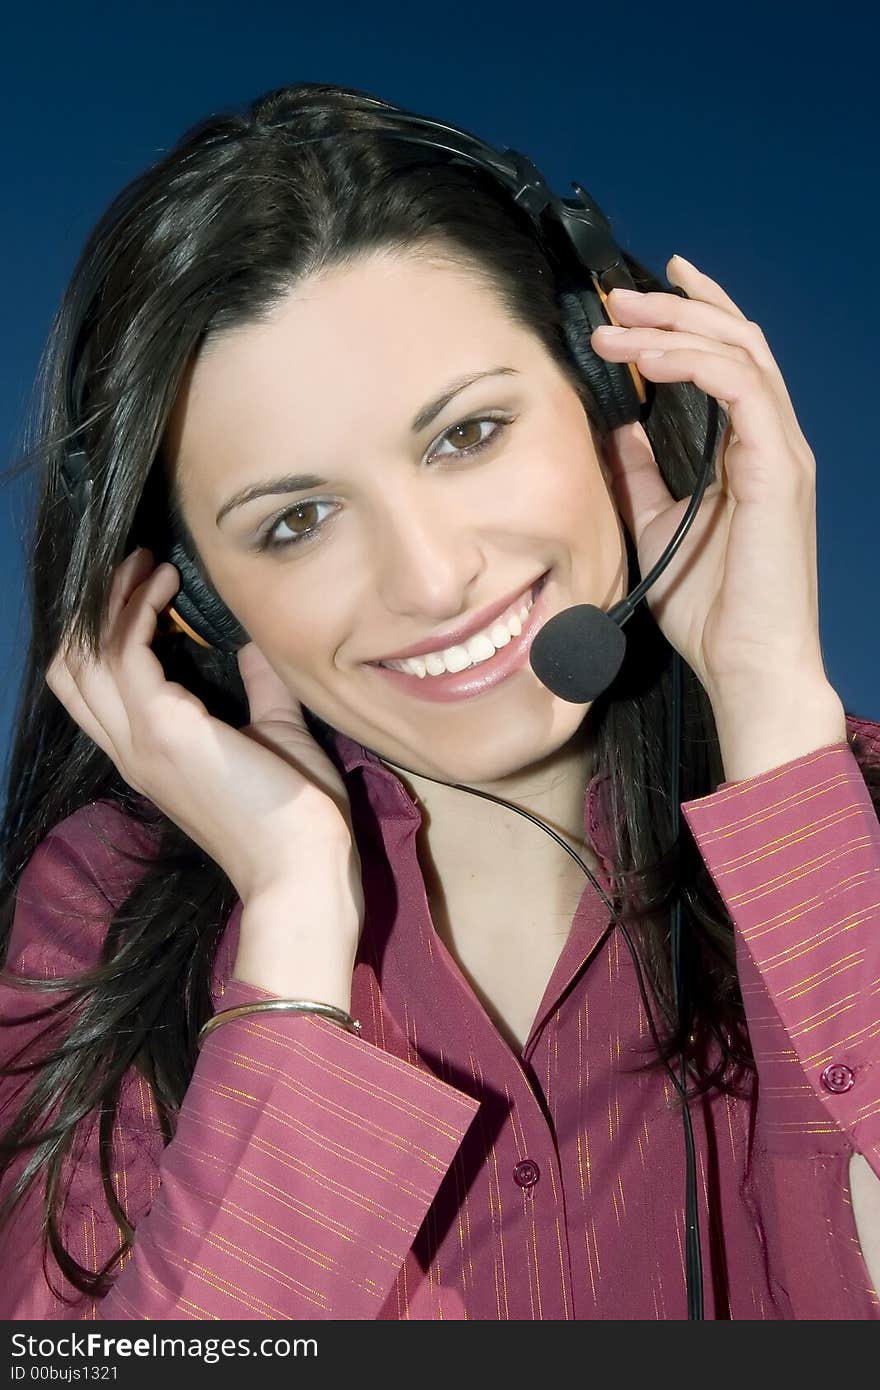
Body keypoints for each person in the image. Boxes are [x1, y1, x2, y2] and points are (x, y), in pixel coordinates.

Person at [0, 80, 878, 1323]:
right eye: (296, 521)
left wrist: (775, 707)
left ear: (605, 393)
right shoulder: (103, 920)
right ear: (197, 598)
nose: (431, 578)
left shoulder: (853, 834)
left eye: (466, 435)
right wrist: (295, 941)